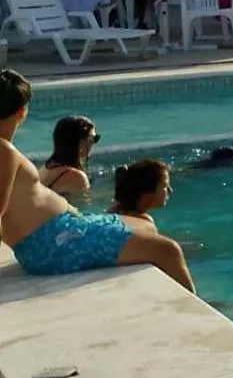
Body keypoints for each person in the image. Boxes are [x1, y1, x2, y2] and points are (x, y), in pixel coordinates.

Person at [0, 70, 194, 291]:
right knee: (168, 250)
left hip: (59, 233)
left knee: (141, 221)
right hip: (53, 243)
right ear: (22, 112)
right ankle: (204, 313)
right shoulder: (3, 151)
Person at [109, 159, 172, 234]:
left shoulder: (112, 212)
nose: (170, 190)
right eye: (164, 186)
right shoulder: (144, 222)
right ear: (147, 190)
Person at [40, 115, 97, 196]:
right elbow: (83, 205)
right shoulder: (77, 177)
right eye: (93, 139)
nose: (94, 143)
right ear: (80, 143)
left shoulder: (45, 169)